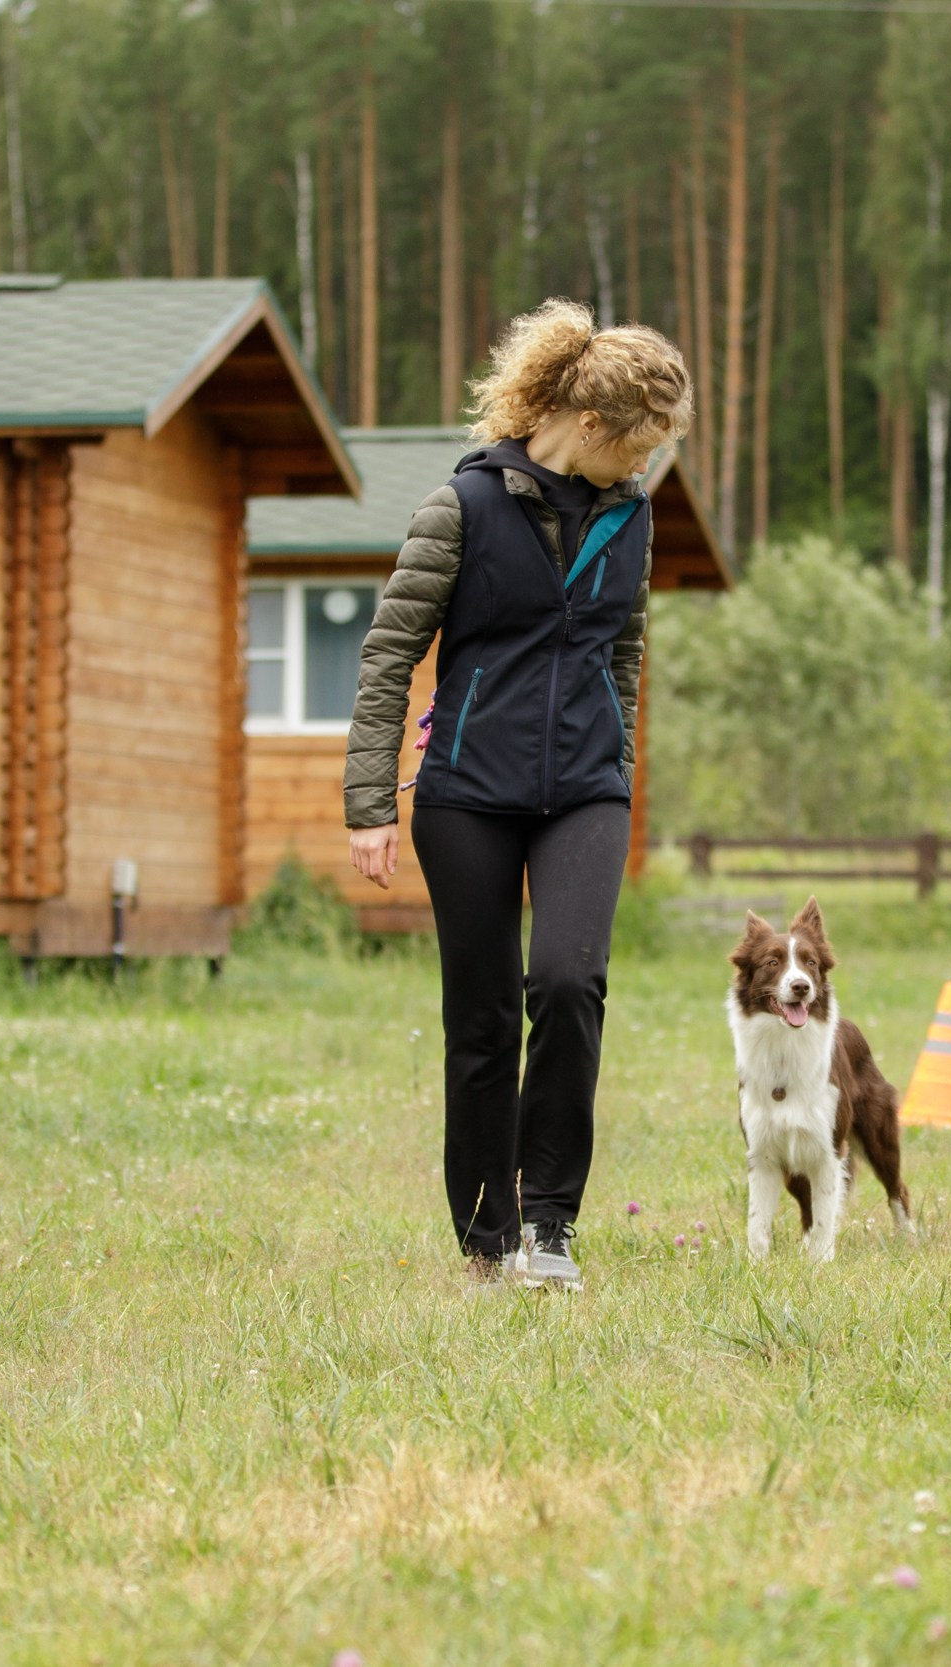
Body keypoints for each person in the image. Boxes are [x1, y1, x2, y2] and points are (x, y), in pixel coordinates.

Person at [343, 298, 693, 1292]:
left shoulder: (634, 512)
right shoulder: (461, 509)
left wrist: (616, 755)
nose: (645, 462)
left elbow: (623, 648)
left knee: (572, 983)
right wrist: (370, 802)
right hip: (467, 793)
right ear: (589, 423)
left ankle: (550, 1224)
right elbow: (387, 658)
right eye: (639, 441)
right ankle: (486, 1239)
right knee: (486, 1018)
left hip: (584, 786)